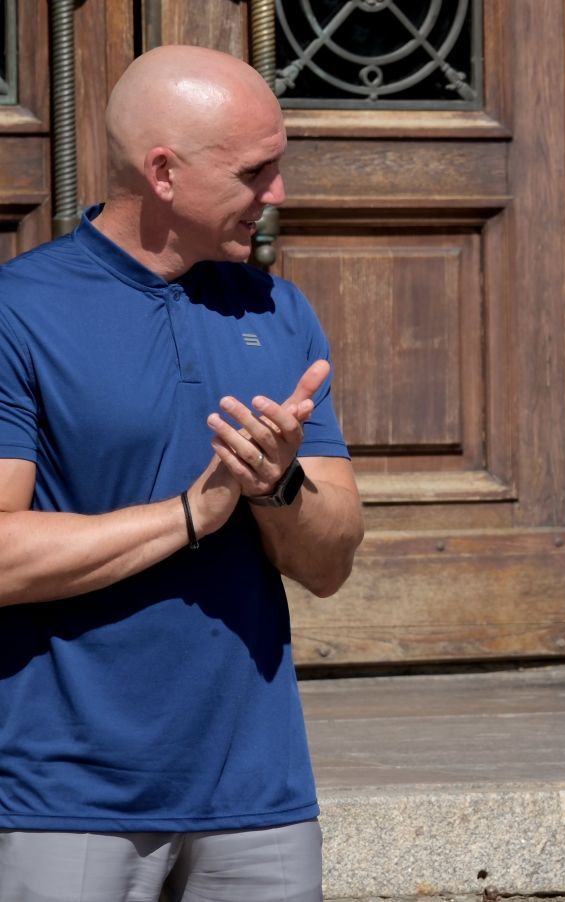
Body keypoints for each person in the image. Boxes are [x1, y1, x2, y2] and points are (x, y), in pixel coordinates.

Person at [0, 45, 364, 901]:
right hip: (68, 800)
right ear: (163, 173)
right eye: (254, 172)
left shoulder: (277, 309)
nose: (279, 194)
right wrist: (195, 513)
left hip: (260, 798)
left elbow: (331, 561)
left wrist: (278, 489)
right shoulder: (21, 311)